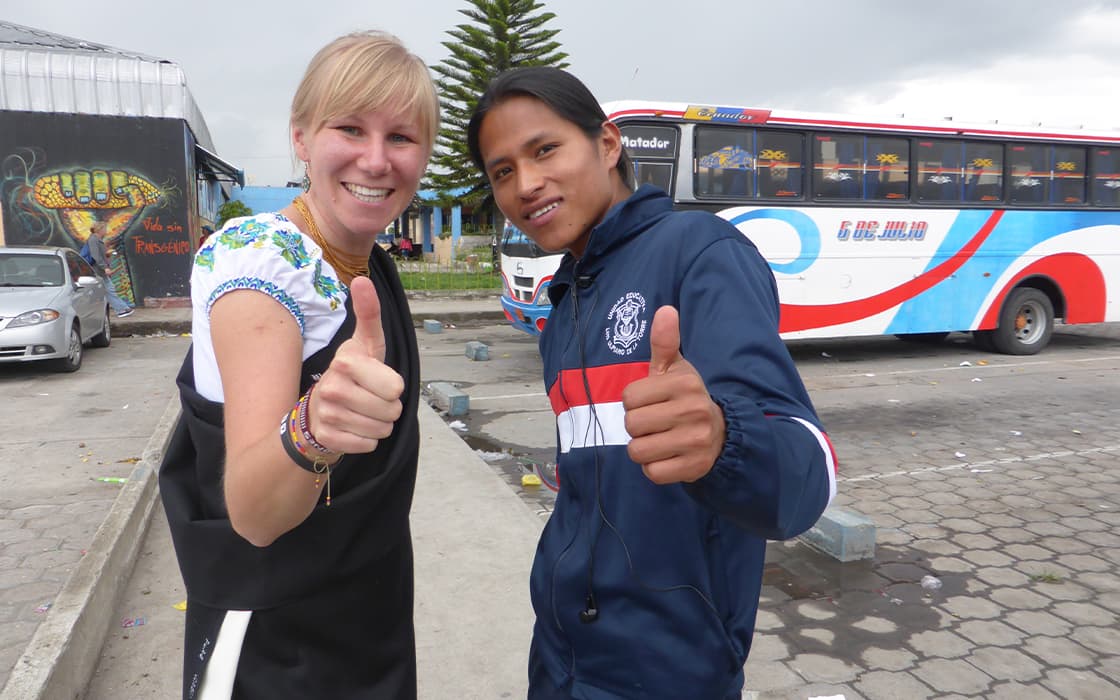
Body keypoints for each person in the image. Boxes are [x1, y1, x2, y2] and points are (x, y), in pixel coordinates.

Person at [467, 66, 838, 699]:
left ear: (608, 145)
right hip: (560, 656)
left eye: (545, 149)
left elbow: (807, 478)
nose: (526, 184)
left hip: (670, 669)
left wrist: (724, 441)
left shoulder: (699, 253)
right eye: (502, 172)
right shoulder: (562, 309)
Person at [158, 30, 439, 699]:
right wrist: (314, 426)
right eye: (350, 128)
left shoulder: (366, 262)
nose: (376, 160)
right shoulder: (261, 264)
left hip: (365, 608)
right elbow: (254, 513)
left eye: (402, 138)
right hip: (275, 635)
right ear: (302, 138)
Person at [86, 221, 133, 317]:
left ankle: (122, 308)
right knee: (109, 290)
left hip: (99, 270)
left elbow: (99, 254)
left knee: (105, 290)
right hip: (98, 270)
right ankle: (121, 309)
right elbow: (95, 256)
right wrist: (105, 268)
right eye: (105, 229)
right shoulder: (93, 240)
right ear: (100, 229)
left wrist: (107, 254)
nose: (106, 231)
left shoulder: (97, 239)